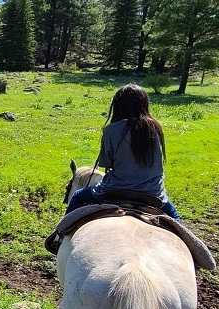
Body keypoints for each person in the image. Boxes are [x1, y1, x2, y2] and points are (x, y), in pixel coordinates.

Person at [64, 83, 180, 221]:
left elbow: (106, 162)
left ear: (118, 106)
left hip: (115, 188)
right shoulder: (154, 128)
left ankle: (58, 236)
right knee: (174, 218)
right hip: (153, 192)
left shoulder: (112, 129)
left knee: (77, 197)